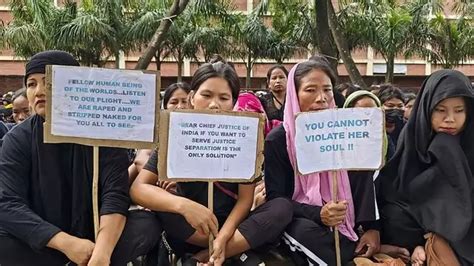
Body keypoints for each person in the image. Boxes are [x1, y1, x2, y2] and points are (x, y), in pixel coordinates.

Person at [0, 50, 161, 265]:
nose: (39, 91)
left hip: (95, 237)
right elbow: (7, 202)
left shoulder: (103, 134)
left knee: (147, 224)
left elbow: (115, 194)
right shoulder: (17, 139)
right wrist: (66, 243)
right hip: (44, 242)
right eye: (31, 84)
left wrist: (102, 253)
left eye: (49, 81)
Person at [131, 61, 293, 265]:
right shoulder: (175, 136)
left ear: (233, 102)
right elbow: (138, 188)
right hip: (189, 228)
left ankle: (206, 256)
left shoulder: (244, 138)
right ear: (192, 97)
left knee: (281, 207)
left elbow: (245, 200)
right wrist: (184, 206)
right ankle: (229, 252)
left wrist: (223, 236)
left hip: (233, 229)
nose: (214, 104)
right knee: (160, 205)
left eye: (223, 98)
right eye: (206, 95)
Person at [264, 60, 380, 265]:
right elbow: (276, 199)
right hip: (303, 219)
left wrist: (371, 228)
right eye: (310, 90)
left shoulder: (346, 134)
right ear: (294, 94)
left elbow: (363, 180)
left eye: (327, 89)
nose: (321, 98)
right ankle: (353, 257)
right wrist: (319, 214)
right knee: (301, 233)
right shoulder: (278, 139)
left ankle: (351, 250)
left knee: (343, 241)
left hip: (346, 222)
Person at [378, 69, 474, 265]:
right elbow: (394, 195)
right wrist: (418, 241)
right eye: (440, 110)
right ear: (427, 108)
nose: (450, 119)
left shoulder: (469, 144)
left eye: (459, 110)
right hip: (414, 236)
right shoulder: (412, 139)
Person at [129, 82, 191, 185]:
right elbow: (140, 159)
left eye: (184, 101)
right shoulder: (158, 129)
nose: (180, 106)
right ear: (165, 106)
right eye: (174, 102)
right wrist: (161, 179)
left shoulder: (200, 132)